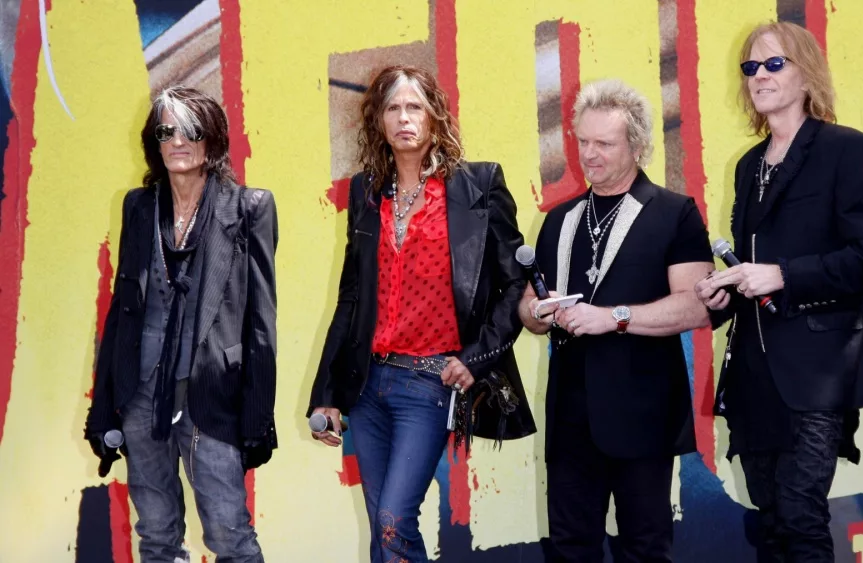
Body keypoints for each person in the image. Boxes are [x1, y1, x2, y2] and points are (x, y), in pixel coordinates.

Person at [308, 65, 536, 563]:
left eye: (415, 106)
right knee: (381, 527)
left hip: (429, 382)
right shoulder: (366, 193)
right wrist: (325, 395)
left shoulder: (478, 185)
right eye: (393, 108)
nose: (404, 118)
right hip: (368, 383)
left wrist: (475, 359)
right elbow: (351, 298)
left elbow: (513, 283)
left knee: (394, 518)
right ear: (378, 120)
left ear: (435, 116)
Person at [694, 21, 863, 562]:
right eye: (750, 67)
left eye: (774, 64)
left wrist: (784, 274)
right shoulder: (747, 165)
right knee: (771, 517)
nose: (759, 75)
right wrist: (725, 292)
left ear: (806, 73)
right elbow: (751, 267)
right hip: (753, 372)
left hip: (818, 368)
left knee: (800, 512)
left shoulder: (845, 150)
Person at [518, 79, 714, 563]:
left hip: (644, 409)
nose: (589, 154)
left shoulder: (675, 213)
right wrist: (539, 314)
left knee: (645, 549)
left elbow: (697, 305)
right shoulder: (558, 219)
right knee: (569, 548)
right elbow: (527, 306)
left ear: (638, 145)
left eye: (603, 143)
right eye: (582, 141)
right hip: (569, 414)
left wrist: (614, 318)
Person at [84, 86, 278, 562]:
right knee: (156, 535)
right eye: (166, 131)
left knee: (231, 536)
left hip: (211, 392)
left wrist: (257, 416)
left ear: (211, 138)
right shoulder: (138, 206)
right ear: (154, 142)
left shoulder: (250, 207)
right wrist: (105, 403)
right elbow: (123, 309)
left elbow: (261, 322)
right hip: (142, 393)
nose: (178, 140)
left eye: (190, 130)